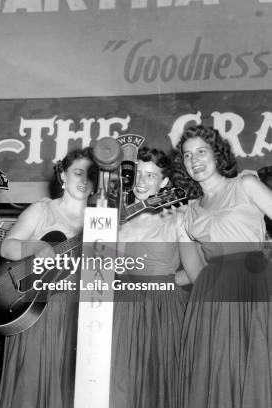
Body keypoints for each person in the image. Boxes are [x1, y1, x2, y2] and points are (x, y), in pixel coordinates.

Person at [173, 125, 272, 408]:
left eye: (201, 152)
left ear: (217, 154)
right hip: (213, 294)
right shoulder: (188, 210)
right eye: (188, 156)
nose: (195, 160)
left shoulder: (245, 185)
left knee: (257, 366)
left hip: (257, 283)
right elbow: (192, 265)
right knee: (218, 372)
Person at [0, 147, 96, 408]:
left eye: (91, 174)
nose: (84, 180)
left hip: (83, 315)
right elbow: (8, 247)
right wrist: (36, 247)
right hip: (42, 313)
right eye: (77, 172)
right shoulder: (42, 211)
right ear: (63, 175)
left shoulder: (102, 219)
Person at [110, 147, 201, 408]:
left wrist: (162, 283)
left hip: (162, 310)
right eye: (138, 173)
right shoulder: (116, 218)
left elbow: (194, 272)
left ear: (163, 182)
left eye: (150, 176)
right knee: (118, 384)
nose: (141, 181)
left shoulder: (178, 217)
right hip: (119, 307)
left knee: (157, 386)